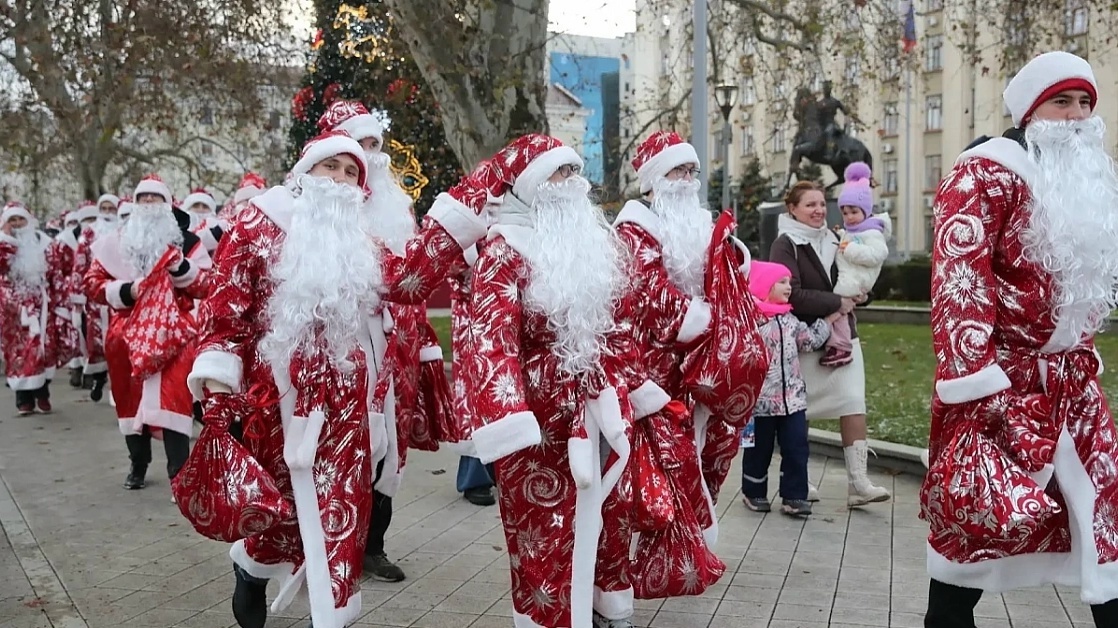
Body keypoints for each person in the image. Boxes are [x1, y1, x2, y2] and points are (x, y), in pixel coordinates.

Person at [187, 130, 499, 628]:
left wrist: (459, 213)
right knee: (281, 516)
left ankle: (331, 617)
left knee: (339, 518)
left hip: (348, 409)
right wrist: (220, 387)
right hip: (275, 405)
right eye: (330, 166)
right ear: (305, 172)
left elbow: (409, 279)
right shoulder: (257, 224)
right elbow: (226, 311)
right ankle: (251, 571)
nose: (341, 179)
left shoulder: (365, 244)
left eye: (352, 171)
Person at [921, 51, 1118, 627]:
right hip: (1000, 387)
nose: (1077, 115)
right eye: (1062, 101)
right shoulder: (984, 173)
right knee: (976, 535)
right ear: (1031, 111)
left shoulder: (1082, 182)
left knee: (1104, 520)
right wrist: (973, 384)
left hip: (1073, 387)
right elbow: (960, 279)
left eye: (1085, 102)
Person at [466, 133, 654, 628]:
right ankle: (549, 617)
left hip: (599, 405)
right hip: (536, 414)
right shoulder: (503, 250)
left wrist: (631, 384)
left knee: (610, 515)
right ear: (528, 186)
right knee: (542, 525)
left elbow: (621, 320)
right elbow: (488, 337)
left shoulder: (596, 243)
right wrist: (508, 419)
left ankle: (607, 605)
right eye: (557, 173)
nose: (570, 183)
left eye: (573, 172)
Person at [316, 99, 448, 582]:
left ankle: (374, 545)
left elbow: (411, 275)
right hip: (343, 349)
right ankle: (324, 543)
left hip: (399, 348)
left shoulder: (398, 206)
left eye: (376, 144)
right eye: (361, 145)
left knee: (391, 450)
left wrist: (425, 340)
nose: (372, 155)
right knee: (344, 447)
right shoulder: (319, 204)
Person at [83, 173, 210, 493]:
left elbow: (207, 284)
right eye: (143, 198)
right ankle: (137, 463)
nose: (149, 203)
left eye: (156, 198)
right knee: (130, 402)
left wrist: (180, 268)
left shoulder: (188, 244)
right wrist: (128, 290)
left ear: (169, 206)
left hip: (174, 334)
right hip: (125, 334)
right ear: (135, 204)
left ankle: (179, 476)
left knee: (174, 403)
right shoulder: (114, 244)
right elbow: (92, 284)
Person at [769, 181, 891, 507]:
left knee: (853, 402)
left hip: (844, 337)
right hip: (807, 337)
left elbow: (856, 273)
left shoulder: (837, 238)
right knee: (800, 413)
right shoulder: (786, 244)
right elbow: (790, 293)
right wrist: (835, 302)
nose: (819, 210)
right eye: (810, 205)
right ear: (792, 209)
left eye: (822, 204)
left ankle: (858, 483)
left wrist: (861, 295)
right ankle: (799, 479)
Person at [740, 261, 834, 516]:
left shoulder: (790, 319)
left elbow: (809, 341)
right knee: (757, 451)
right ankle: (754, 491)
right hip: (759, 402)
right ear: (764, 286)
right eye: (781, 281)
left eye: (789, 281)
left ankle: (794, 496)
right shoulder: (750, 320)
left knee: (796, 447)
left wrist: (828, 321)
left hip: (792, 400)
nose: (788, 286)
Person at [826, 162, 890, 368]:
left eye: (854, 211)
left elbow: (878, 254)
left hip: (857, 279)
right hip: (850, 276)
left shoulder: (872, 232)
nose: (849, 217)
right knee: (840, 313)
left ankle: (841, 347)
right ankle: (837, 344)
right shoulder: (853, 231)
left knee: (836, 312)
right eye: (845, 213)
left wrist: (850, 249)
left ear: (865, 210)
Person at [0, 202, 60, 414]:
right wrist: (6, 238)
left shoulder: (44, 243)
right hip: (14, 309)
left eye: (20, 219)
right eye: (12, 220)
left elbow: (55, 274)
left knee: (42, 350)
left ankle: (42, 394)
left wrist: (59, 304)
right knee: (19, 353)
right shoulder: (4, 245)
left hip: (41, 305)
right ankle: (23, 399)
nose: (17, 224)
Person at [73, 199, 118, 401]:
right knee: (98, 343)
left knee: (119, 344)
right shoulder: (89, 233)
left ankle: (117, 388)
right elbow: (79, 264)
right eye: (104, 209)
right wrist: (78, 296)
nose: (108, 213)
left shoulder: (125, 231)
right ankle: (99, 380)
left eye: (112, 209)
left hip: (120, 297)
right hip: (96, 299)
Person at [181, 187, 226, 254]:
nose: (200, 209)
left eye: (205, 206)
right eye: (196, 206)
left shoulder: (221, 229)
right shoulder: (179, 230)